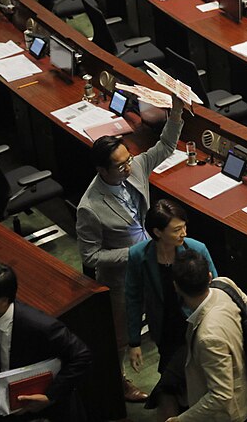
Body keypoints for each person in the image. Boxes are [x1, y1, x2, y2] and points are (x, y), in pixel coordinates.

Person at [76, 96, 184, 402]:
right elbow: (90, 256)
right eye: (120, 165)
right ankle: (118, 381)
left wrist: (175, 113)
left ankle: (175, 371)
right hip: (123, 278)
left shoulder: (135, 167)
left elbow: (164, 147)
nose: (128, 167)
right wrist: (137, 253)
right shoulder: (90, 207)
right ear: (101, 170)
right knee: (121, 335)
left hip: (156, 262)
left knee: (168, 316)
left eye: (128, 159)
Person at [0, 263, 92, 422]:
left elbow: (81, 356)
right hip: (3, 409)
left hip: (43, 413)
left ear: (3, 300)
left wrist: (50, 396)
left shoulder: (41, 326)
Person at [125, 200, 217, 417]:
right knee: (175, 381)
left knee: (195, 378)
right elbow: (133, 298)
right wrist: (134, 341)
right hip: (165, 329)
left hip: (196, 326)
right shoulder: (138, 255)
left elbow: (217, 289)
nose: (183, 233)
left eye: (184, 226)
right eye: (176, 229)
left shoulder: (197, 249)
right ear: (157, 232)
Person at [167, 250, 247, 422]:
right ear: (208, 276)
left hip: (229, 415)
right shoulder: (225, 284)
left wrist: (182, 419)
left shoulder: (208, 337)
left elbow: (221, 396)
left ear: (176, 286)